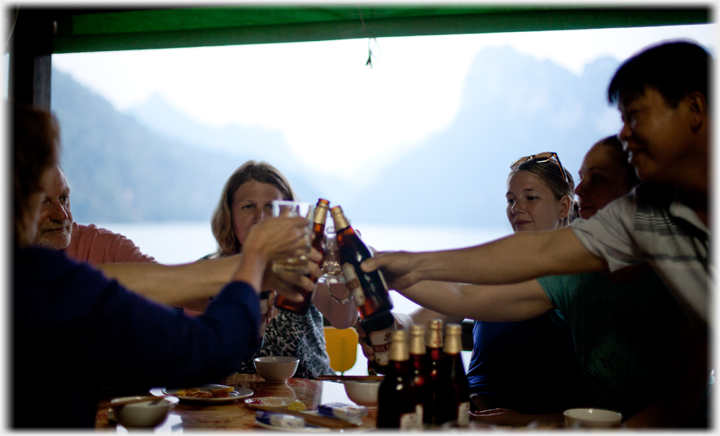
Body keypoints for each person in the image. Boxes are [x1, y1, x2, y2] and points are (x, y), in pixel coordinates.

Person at [360, 40, 711, 330]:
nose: (623, 134)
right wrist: (409, 265)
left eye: (634, 116)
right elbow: (538, 253)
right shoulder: (645, 215)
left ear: (695, 108)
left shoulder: (643, 260)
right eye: (512, 198)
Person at [12, 102, 311, 428]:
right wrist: (254, 262)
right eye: (40, 199)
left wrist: (253, 272)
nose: (60, 214)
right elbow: (206, 350)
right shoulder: (46, 283)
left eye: (65, 198)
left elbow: (165, 282)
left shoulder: (86, 256)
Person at [385, 137, 708, 427]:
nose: (581, 191)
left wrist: (536, 422)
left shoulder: (683, 272)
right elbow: (461, 294)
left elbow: (676, 408)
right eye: (511, 199)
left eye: (597, 179)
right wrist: (388, 274)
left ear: (637, 193)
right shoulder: (568, 279)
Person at [359, 152, 590, 415]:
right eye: (511, 200)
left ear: (564, 206)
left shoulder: (576, 276)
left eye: (531, 197)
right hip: (464, 413)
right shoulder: (497, 270)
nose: (516, 209)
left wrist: (376, 265)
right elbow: (425, 320)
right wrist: (392, 326)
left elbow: (461, 295)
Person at [206, 160, 358, 379]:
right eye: (248, 207)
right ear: (229, 216)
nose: (260, 218)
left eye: (270, 207)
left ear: (289, 214)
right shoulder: (208, 271)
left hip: (307, 399)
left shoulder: (299, 264)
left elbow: (343, 320)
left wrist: (340, 267)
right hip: (232, 398)